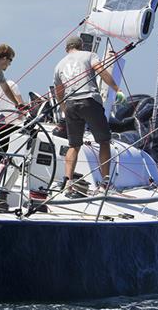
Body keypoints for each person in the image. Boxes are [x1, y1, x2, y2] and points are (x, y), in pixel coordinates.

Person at [53, 36, 125, 197]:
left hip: (71, 104)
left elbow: (59, 91)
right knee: (104, 141)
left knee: (74, 145)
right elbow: (100, 70)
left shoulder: (59, 65)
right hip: (89, 101)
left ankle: (68, 183)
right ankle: (105, 184)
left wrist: (64, 107)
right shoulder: (89, 55)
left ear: (67, 49)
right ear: (81, 46)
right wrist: (116, 89)